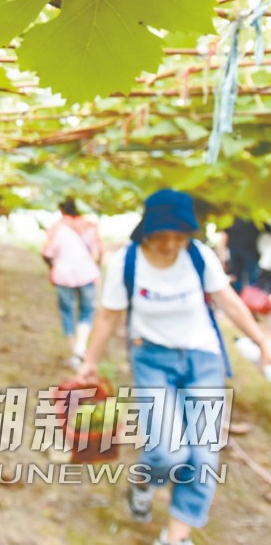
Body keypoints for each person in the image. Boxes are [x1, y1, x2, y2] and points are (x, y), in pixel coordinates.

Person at [76, 189, 271, 545]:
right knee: (168, 450)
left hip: (203, 359)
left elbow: (228, 302)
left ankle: (176, 537)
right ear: (146, 230)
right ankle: (145, 480)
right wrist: (89, 361)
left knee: (203, 454)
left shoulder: (198, 256)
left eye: (178, 237)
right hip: (152, 359)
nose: (170, 244)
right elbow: (108, 315)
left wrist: (260, 340)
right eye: (161, 236)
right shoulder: (128, 262)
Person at [42, 197, 103, 368]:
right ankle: (81, 347)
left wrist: (52, 267)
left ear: (62, 210)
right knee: (86, 311)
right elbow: (98, 252)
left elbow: (47, 252)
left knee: (67, 312)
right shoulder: (89, 227)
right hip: (87, 274)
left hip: (63, 276)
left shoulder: (57, 228)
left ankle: (74, 353)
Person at [224, 218, 260, 293]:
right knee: (238, 276)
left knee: (250, 276)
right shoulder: (232, 216)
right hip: (240, 250)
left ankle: (251, 297)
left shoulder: (255, 216)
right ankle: (242, 295)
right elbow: (225, 233)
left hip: (247, 250)